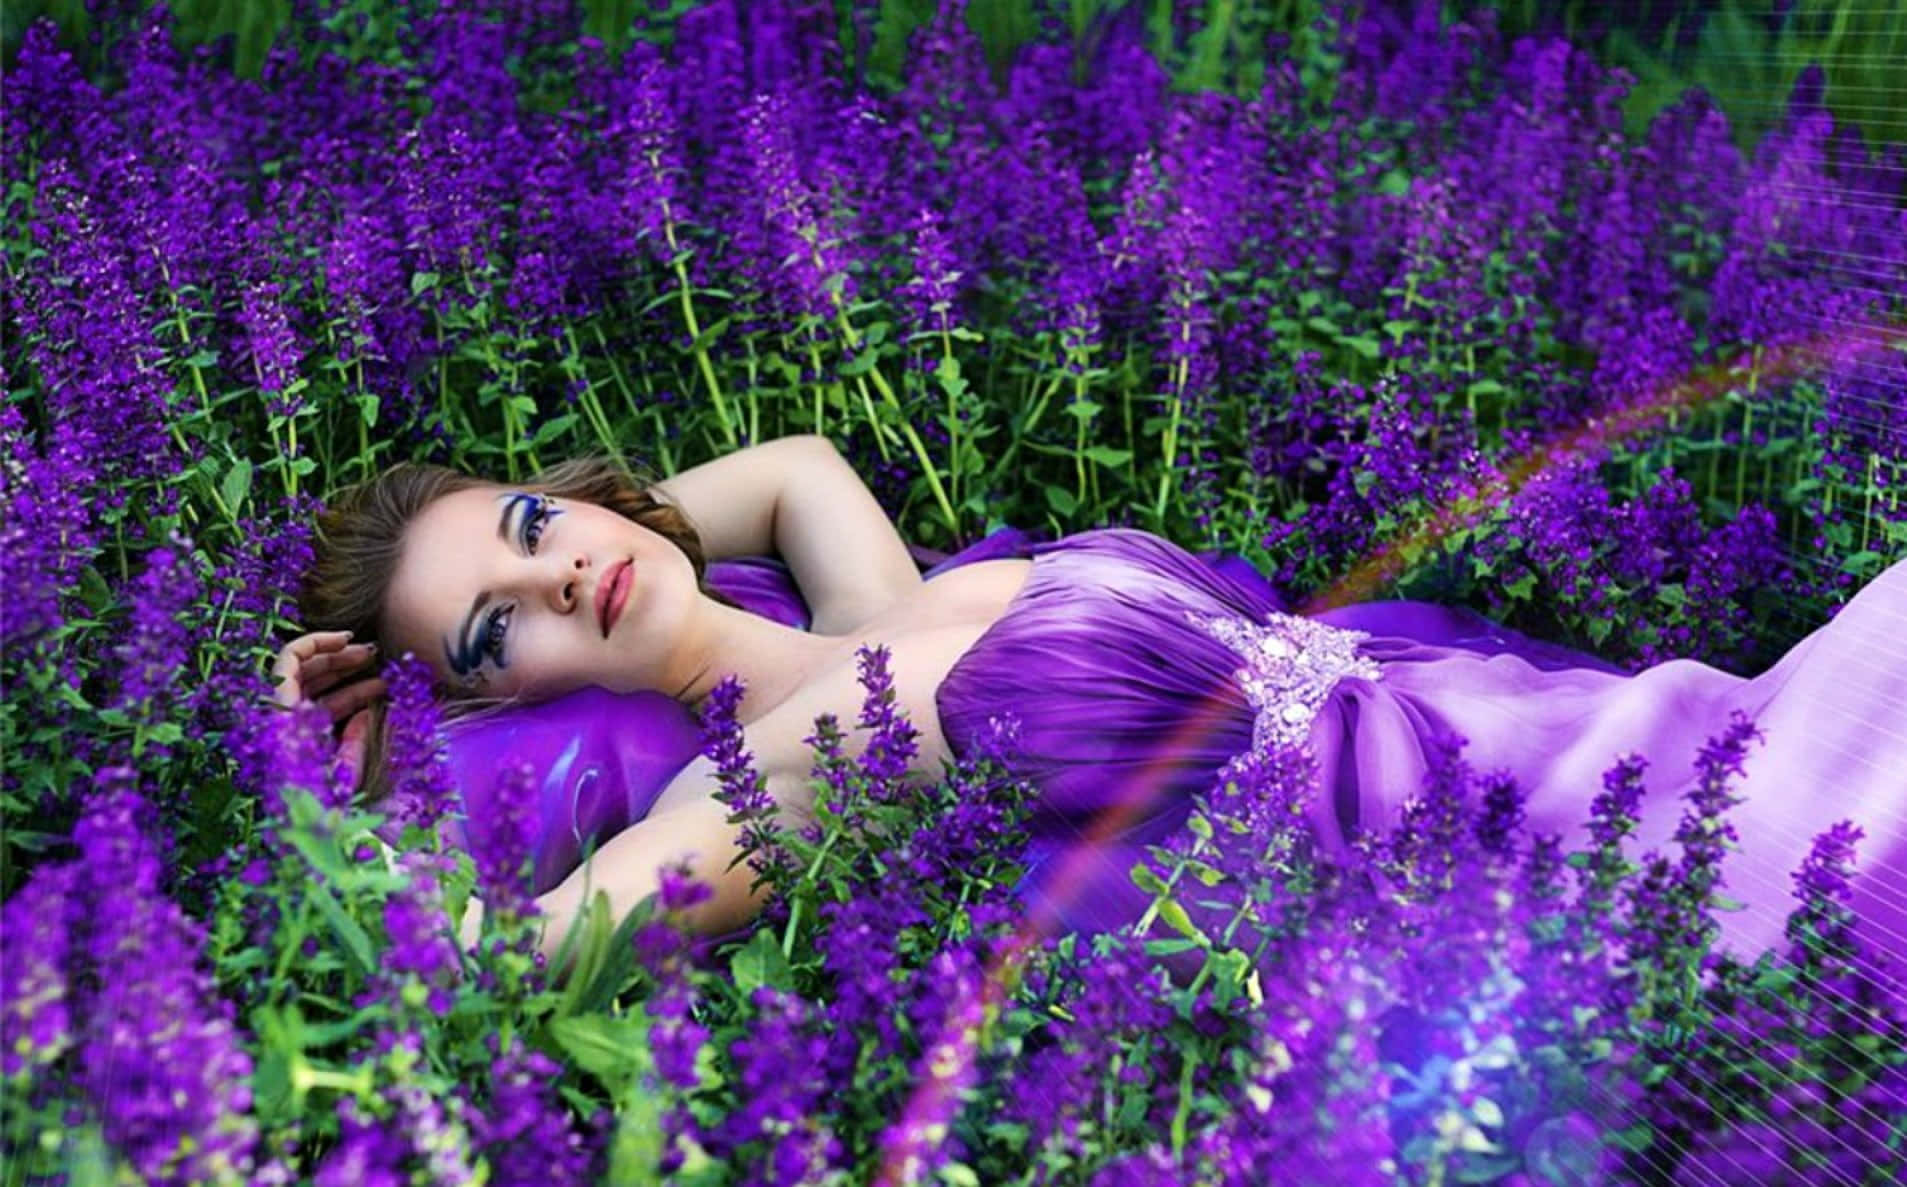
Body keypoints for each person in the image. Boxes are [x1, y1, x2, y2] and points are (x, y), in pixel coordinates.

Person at [275, 434, 1907, 999]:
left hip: (1508, 730)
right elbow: (518, 961)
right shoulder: (792, 769)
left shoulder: (868, 607)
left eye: (535, 530)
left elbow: (783, 471)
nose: (558, 582)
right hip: (1466, 851)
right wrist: (334, 780)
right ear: (489, 701)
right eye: (497, 626)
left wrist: (631, 534)